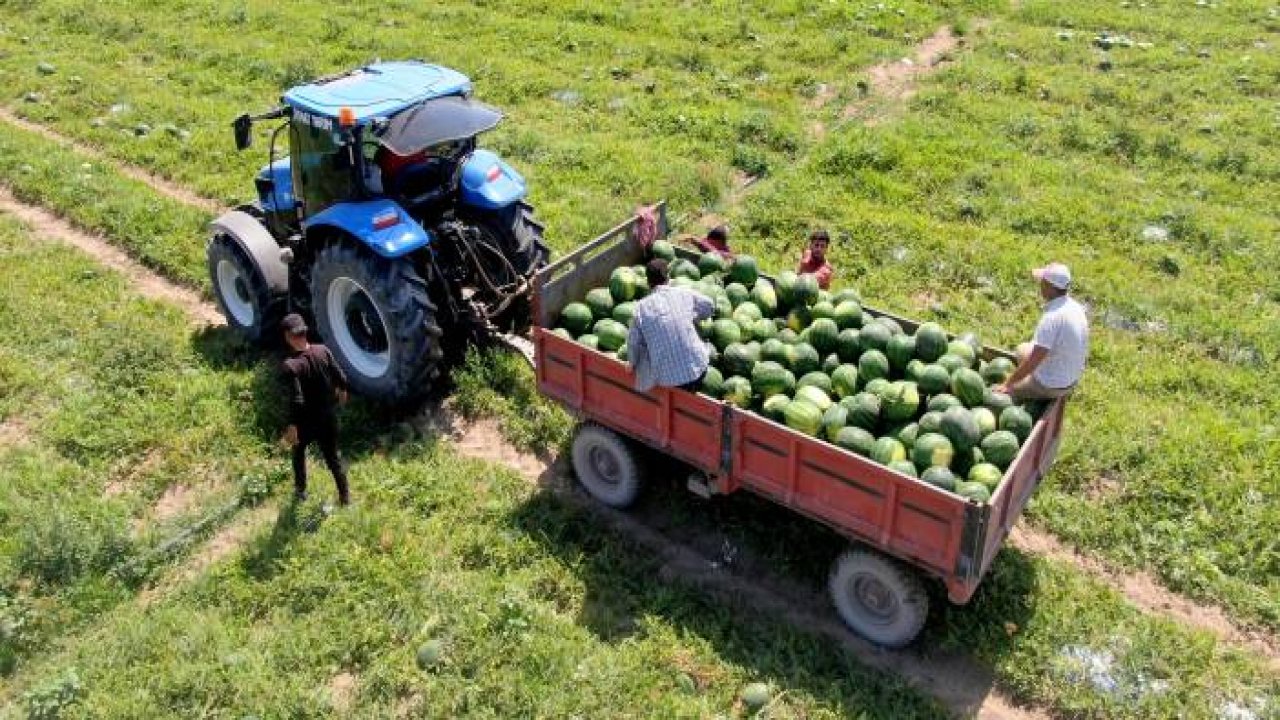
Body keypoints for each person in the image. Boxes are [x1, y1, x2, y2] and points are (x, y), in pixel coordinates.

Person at [280, 313, 351, 506]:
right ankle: (345, 498)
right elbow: (341, 376)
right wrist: (342, 390)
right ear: (304, 331)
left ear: (288, 336)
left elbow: (296, 400)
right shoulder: (323, 350)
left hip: (306, 422)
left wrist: (292, 425)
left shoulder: (291, 365)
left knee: (298, 452)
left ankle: (300, 490)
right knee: (333, 459)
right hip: (327, 417)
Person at [995, 262, 1089, 400]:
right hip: (1069, 377)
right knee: (1022, 349)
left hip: (1051, 385)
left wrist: (1008, 384)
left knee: (997, 395)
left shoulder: (1052, 318)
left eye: (1042, 283)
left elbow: (1035, 359)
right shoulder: (1075, 307)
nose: (1040, 286)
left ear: (1050, 287)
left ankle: (1026, 394)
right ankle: (1026, 377)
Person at [626, 259, 715, 392]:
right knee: (698, 338)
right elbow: (709, 305)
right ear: (668, 277)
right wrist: (693, 317)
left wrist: (631, 364)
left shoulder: (640, 308)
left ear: (648, 282)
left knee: (644, 345)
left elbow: (633, 342)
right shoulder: (683, 292)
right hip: (699, 371)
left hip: (667, 380)